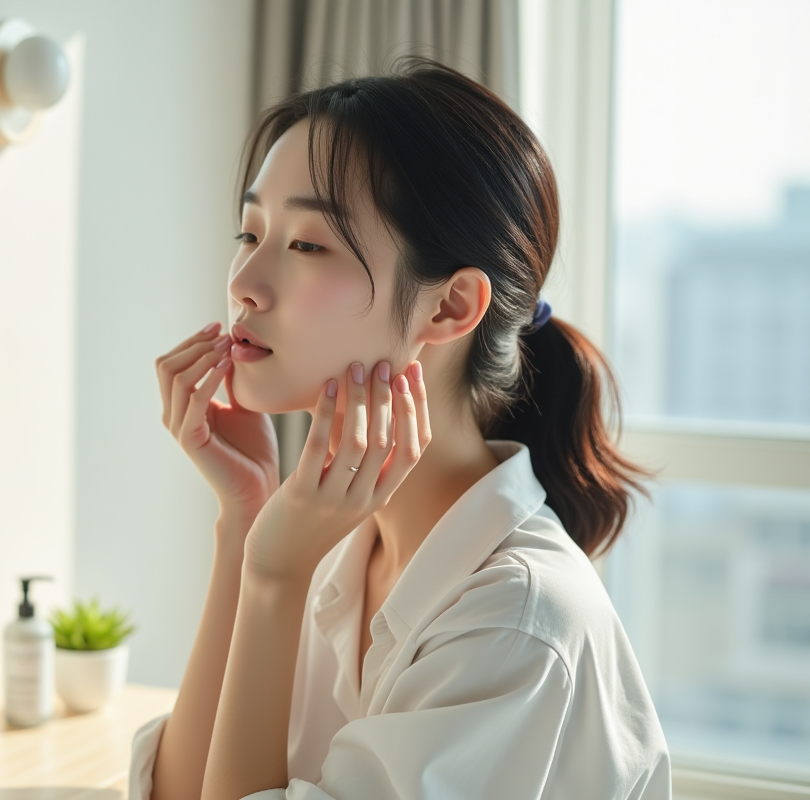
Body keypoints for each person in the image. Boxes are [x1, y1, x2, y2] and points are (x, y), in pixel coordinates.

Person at [135, 57, 671, 800]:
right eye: (249, 231)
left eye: (307, 245)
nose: (244, 284)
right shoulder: (336, 549)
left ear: (449, 308)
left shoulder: (513, 626)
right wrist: (245, 523)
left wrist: (272, 576)